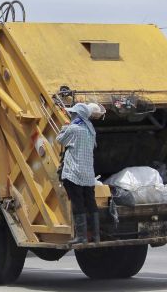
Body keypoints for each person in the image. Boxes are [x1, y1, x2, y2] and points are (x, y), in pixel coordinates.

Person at [57, 102, 106, 244]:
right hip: (88, 174)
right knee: (91, 203)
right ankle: (96, 236)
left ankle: (82, 237)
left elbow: (59, 140)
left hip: (74, 174)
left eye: (73, 113)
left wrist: (64, 127)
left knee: (78, 203)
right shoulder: (90, 129)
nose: (71, 115)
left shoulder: (73, 128)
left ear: (78, 115)